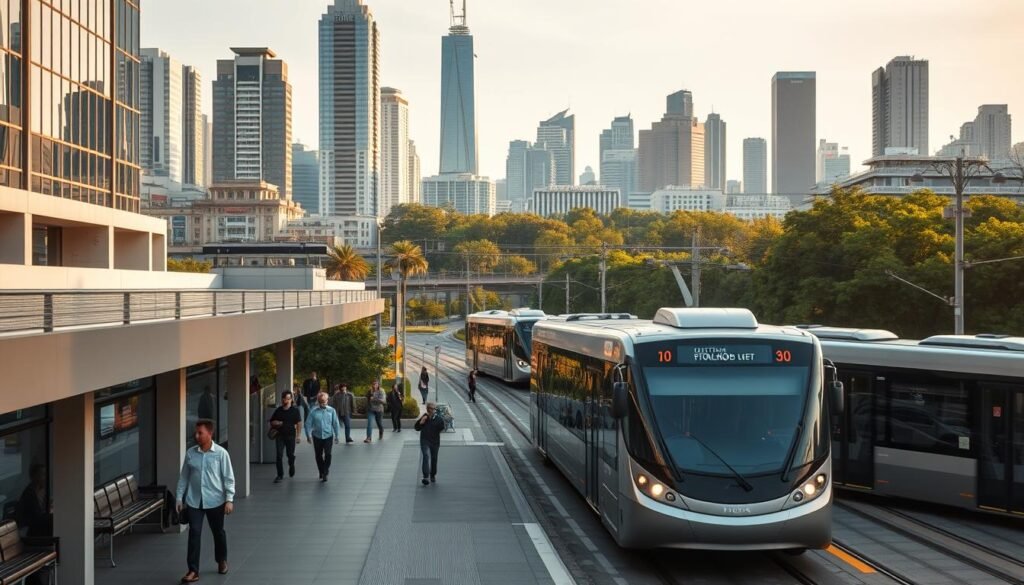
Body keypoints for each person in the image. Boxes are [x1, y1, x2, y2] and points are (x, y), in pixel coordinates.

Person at [175, 419, 235, 583]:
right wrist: (179, 498)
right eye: (196, 433)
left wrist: (229, 499)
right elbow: (183, 478)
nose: (196, 436)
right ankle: (193, 570)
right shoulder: (190, 453)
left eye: (200, 433)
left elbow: (229, 478)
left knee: (218, 532)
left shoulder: (221, 453)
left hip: (216, 501)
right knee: (194, 532)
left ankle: (221, 560)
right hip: (194, 501)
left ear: (210, 433)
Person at [305, 392, 342, 482]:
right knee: (318, 455)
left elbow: (335, 423)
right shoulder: (313, 411)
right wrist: (308, 435)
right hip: (317, 436)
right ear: (318, 401)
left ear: (327, 400)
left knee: (328, 454)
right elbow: (308, 424)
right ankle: (321, 471)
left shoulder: (331, 410)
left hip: (328, 435)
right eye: (321, 401)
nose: (323, 403)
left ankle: (325, 471)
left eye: (325, 401)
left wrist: (337, 435)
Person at [268, 391, 303, 483]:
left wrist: (299, 436)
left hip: (291, 435)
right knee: (279, 455)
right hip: (280, 435)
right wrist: (277, 422)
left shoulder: (295, 411)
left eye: (288, 398)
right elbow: (271, 421)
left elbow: (299, 423)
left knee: (290, 454)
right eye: (284, 398)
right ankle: (280, 475)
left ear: (291, 399)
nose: (286, 400)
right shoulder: (278, 410)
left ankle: (291, 465)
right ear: (282, 399)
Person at [415, 402, 446, 485]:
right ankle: (425, 476)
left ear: (435, 410)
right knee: (425, 455)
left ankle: (432, 474)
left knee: (434, 458)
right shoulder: (424, 417)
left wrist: (437, 431)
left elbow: (442, 427)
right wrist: (421, 422)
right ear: (427, 409)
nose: (431, 410)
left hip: (435, 442)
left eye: (433, 409)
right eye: (429, 409)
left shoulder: (439, 419)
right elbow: (417, 428)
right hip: (424, 440)